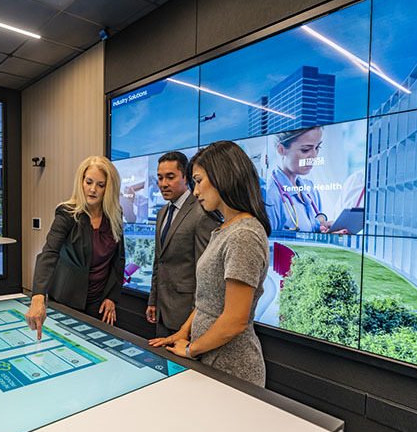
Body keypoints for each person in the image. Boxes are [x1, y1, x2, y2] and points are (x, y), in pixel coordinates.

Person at [149, 141, 271, 387]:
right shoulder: (224, 230)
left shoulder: (244, 234)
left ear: (222, 177)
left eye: (198, 181)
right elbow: (209, 301)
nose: (195, 192)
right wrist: (183, 333)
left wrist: (190, 349)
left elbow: (235, 320)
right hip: (209, 358)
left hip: (231, 367)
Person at [26, 156, 125, 340]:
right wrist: (38, 296)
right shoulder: (66, 213)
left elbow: (118, 259)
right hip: (67, 297)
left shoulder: (115, 214)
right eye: (89, 182)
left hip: (99, 301)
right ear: (81, 181)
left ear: (108, 188)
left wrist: (112, 297)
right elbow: (49, 253)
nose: (93, 189)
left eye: (100, 185)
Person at [145, 151, 219, 337]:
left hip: (187, 316)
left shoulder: (202, 212)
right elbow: (159, 261)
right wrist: (153, 300)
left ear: (186, 177)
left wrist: (196, 319)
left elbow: (206, 273)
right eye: (160, 178)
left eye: (170, 177)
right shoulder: (162, 212)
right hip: (162, 312)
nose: (163, 184)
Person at [265, 126, 332, 233]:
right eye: (305, 150)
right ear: (281, 150)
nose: (314, 156)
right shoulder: (270, 196)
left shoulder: (310, 189)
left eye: (317, 148)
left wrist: (326, 233)